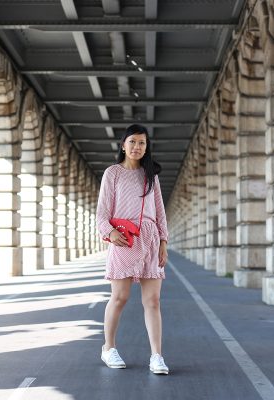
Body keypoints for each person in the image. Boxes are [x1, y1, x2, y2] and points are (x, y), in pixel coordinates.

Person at [96, 124, 169, 375]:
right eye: (133, 142)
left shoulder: (151, 176)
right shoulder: (112, 174)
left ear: (146, 147)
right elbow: (102, 213)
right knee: (120, 297)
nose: (137, 147)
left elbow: (159, 212)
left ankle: (157, 356)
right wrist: (110, 232)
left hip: (149, 240)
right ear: (123, 145)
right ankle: (109, 348)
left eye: (142, 143)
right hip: (124, 240)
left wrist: (163, 242)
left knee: (153, 301)